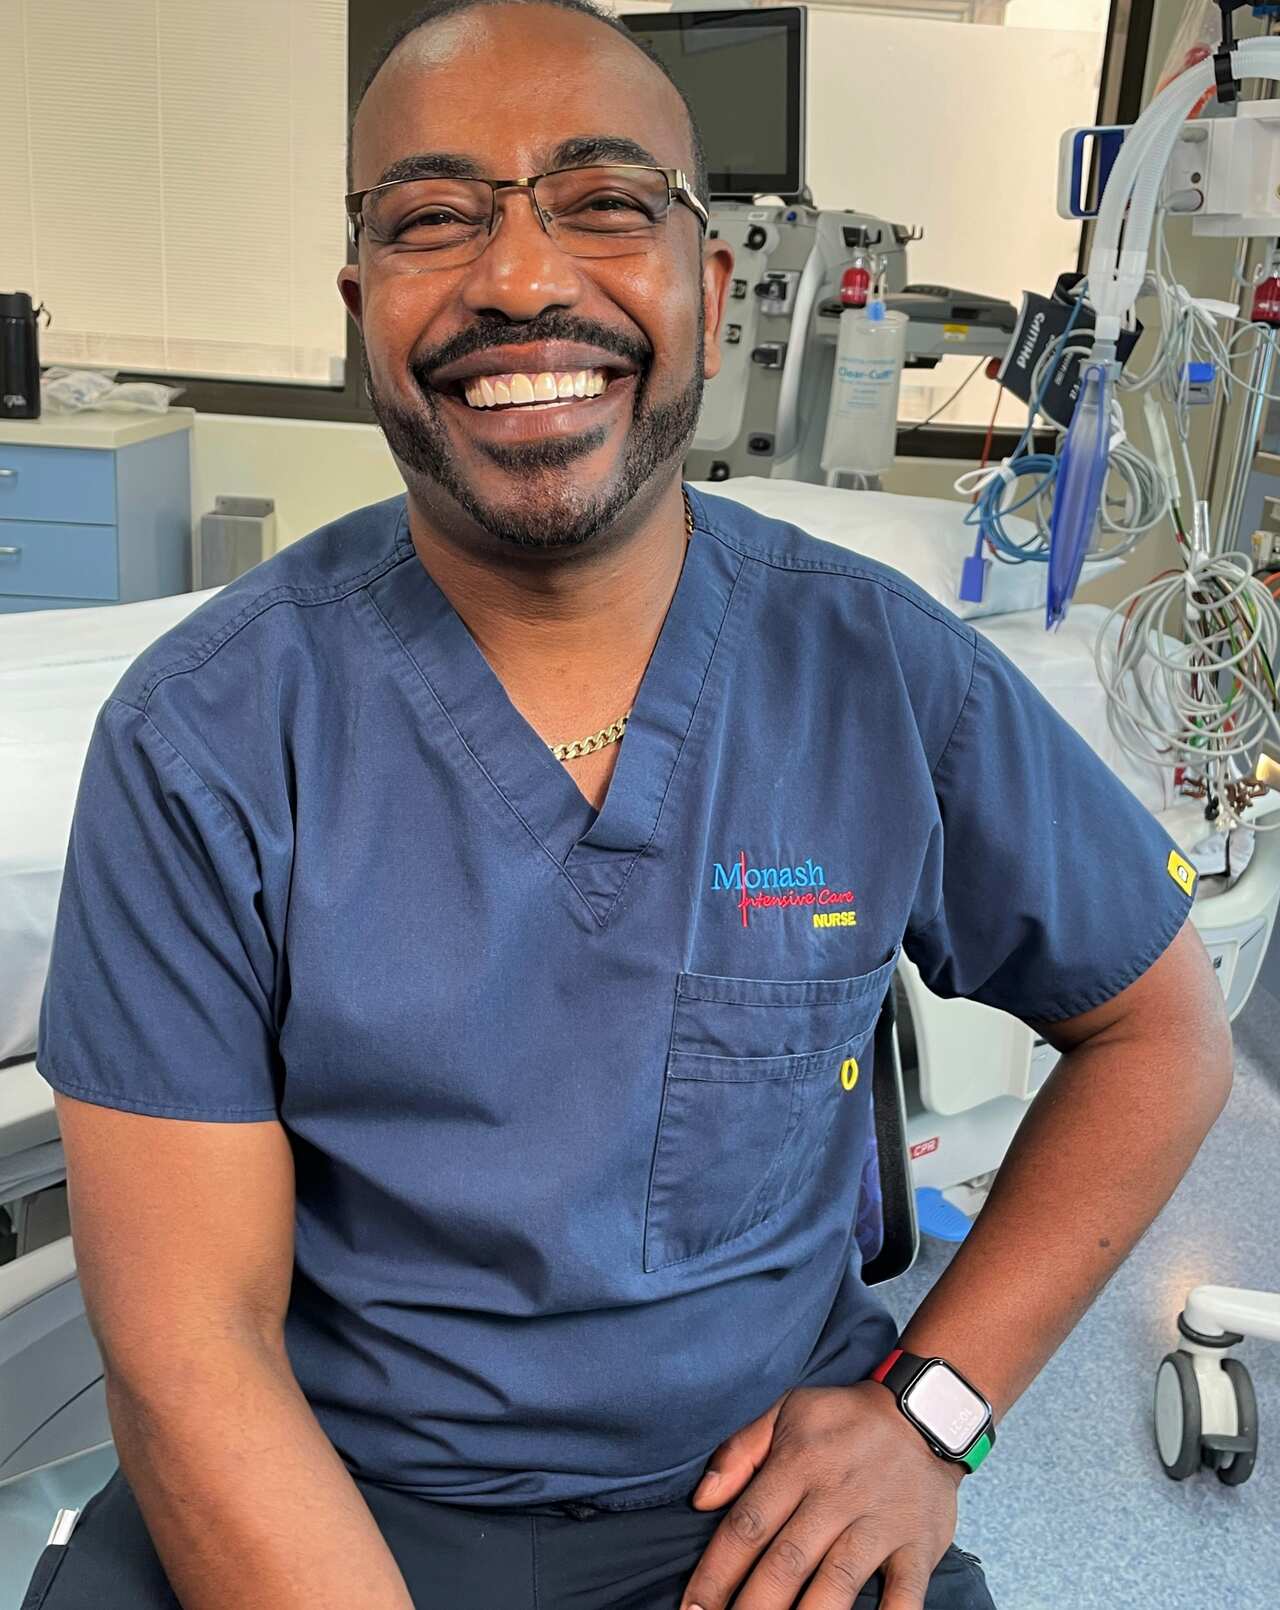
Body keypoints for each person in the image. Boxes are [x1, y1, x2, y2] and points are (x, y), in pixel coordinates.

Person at [23, 3, 1232, 1608]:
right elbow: (192, 1350)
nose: (522, 277)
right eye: (433, 219)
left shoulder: (882, 677)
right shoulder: (205, 742)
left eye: (603, 201)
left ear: (710, 293)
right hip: (322, 1494)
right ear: (361, 309)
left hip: (758, 1513)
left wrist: (933, 1415)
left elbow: (1163, 1031)